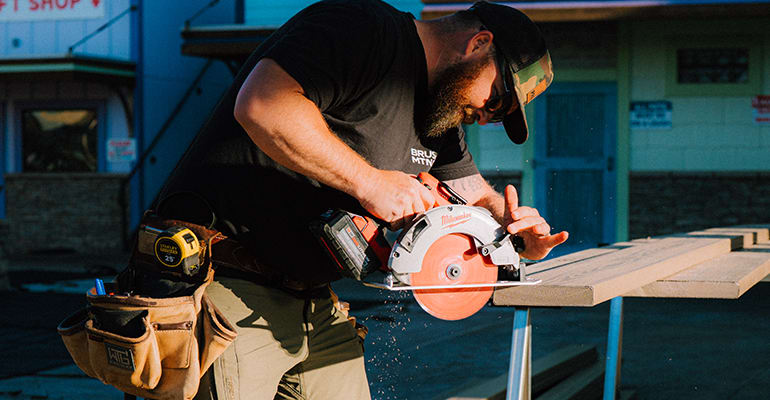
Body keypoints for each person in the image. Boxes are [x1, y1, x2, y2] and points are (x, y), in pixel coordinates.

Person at [157, 1, 568, 399]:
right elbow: (262, 105)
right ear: (478, 43)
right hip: (223, 280)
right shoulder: (362, 29)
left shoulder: (440, 113)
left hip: (311, 298)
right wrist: (370, 184)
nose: (486, 116)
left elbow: (472, 192)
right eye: (496, 99)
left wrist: (512, 230)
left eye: (499, 117)